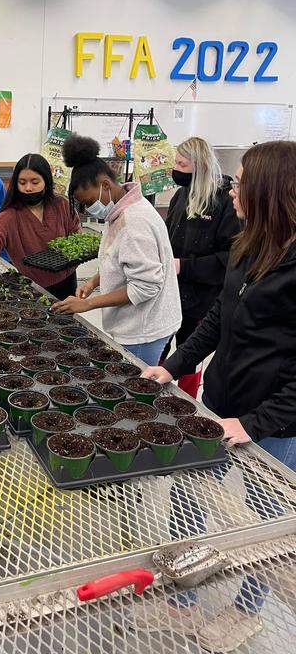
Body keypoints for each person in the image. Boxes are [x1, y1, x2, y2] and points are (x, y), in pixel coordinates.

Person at [142, 141, 296, 649]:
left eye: (242, 181)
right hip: (220, 403)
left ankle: (247, 610)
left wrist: (254, 424)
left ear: (271, 190)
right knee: (189, 495)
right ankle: (183, 602)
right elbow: (218, 319)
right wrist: (174, 365)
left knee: (267, 526)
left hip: (274, 425)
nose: (232, 189)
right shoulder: (251, 243)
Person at [52, 136, 181, 366]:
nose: (90, 209)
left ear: (105, 185)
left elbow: (146, 286)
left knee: (136, 391)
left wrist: (89, 303)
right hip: (140, 323)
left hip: (143, 329)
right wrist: (93, 282)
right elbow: (123, 261)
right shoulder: (122, 212)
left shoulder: (134, 222)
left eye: (90, 201)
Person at [160, 137, 241, 397]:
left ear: (200, 166)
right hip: (171, 292)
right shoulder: (181, 195)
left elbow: (230, 258)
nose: (176, 168)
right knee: (161, 346)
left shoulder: (224, 202)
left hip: (202, 298)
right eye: (176, 162)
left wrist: (185, 266)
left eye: (182, 163)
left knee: (190, 351)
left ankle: (187, 402)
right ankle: (153, 391)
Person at [0, 153, 80, 300]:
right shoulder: (9, 215)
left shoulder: (62, 206)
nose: (28, 188)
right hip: (32, 287)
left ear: (46, 181)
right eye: (22, 182)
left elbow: (76, 234)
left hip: (67, 281)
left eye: (35, 182)